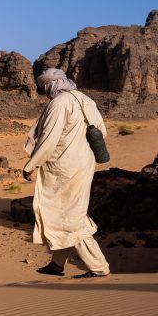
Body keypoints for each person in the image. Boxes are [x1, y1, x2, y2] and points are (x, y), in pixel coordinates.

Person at [23, 68, 111, 279]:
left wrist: (30, 165)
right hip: (84, 165)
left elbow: (49, 139)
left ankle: (98, 267)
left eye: (45, 88)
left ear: (51, 85)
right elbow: (102, 132)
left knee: (70, 216)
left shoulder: (59, 103)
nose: (45, 93)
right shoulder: (87, 101)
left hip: (64, 168)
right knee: (63, 212)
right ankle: (57, 264)